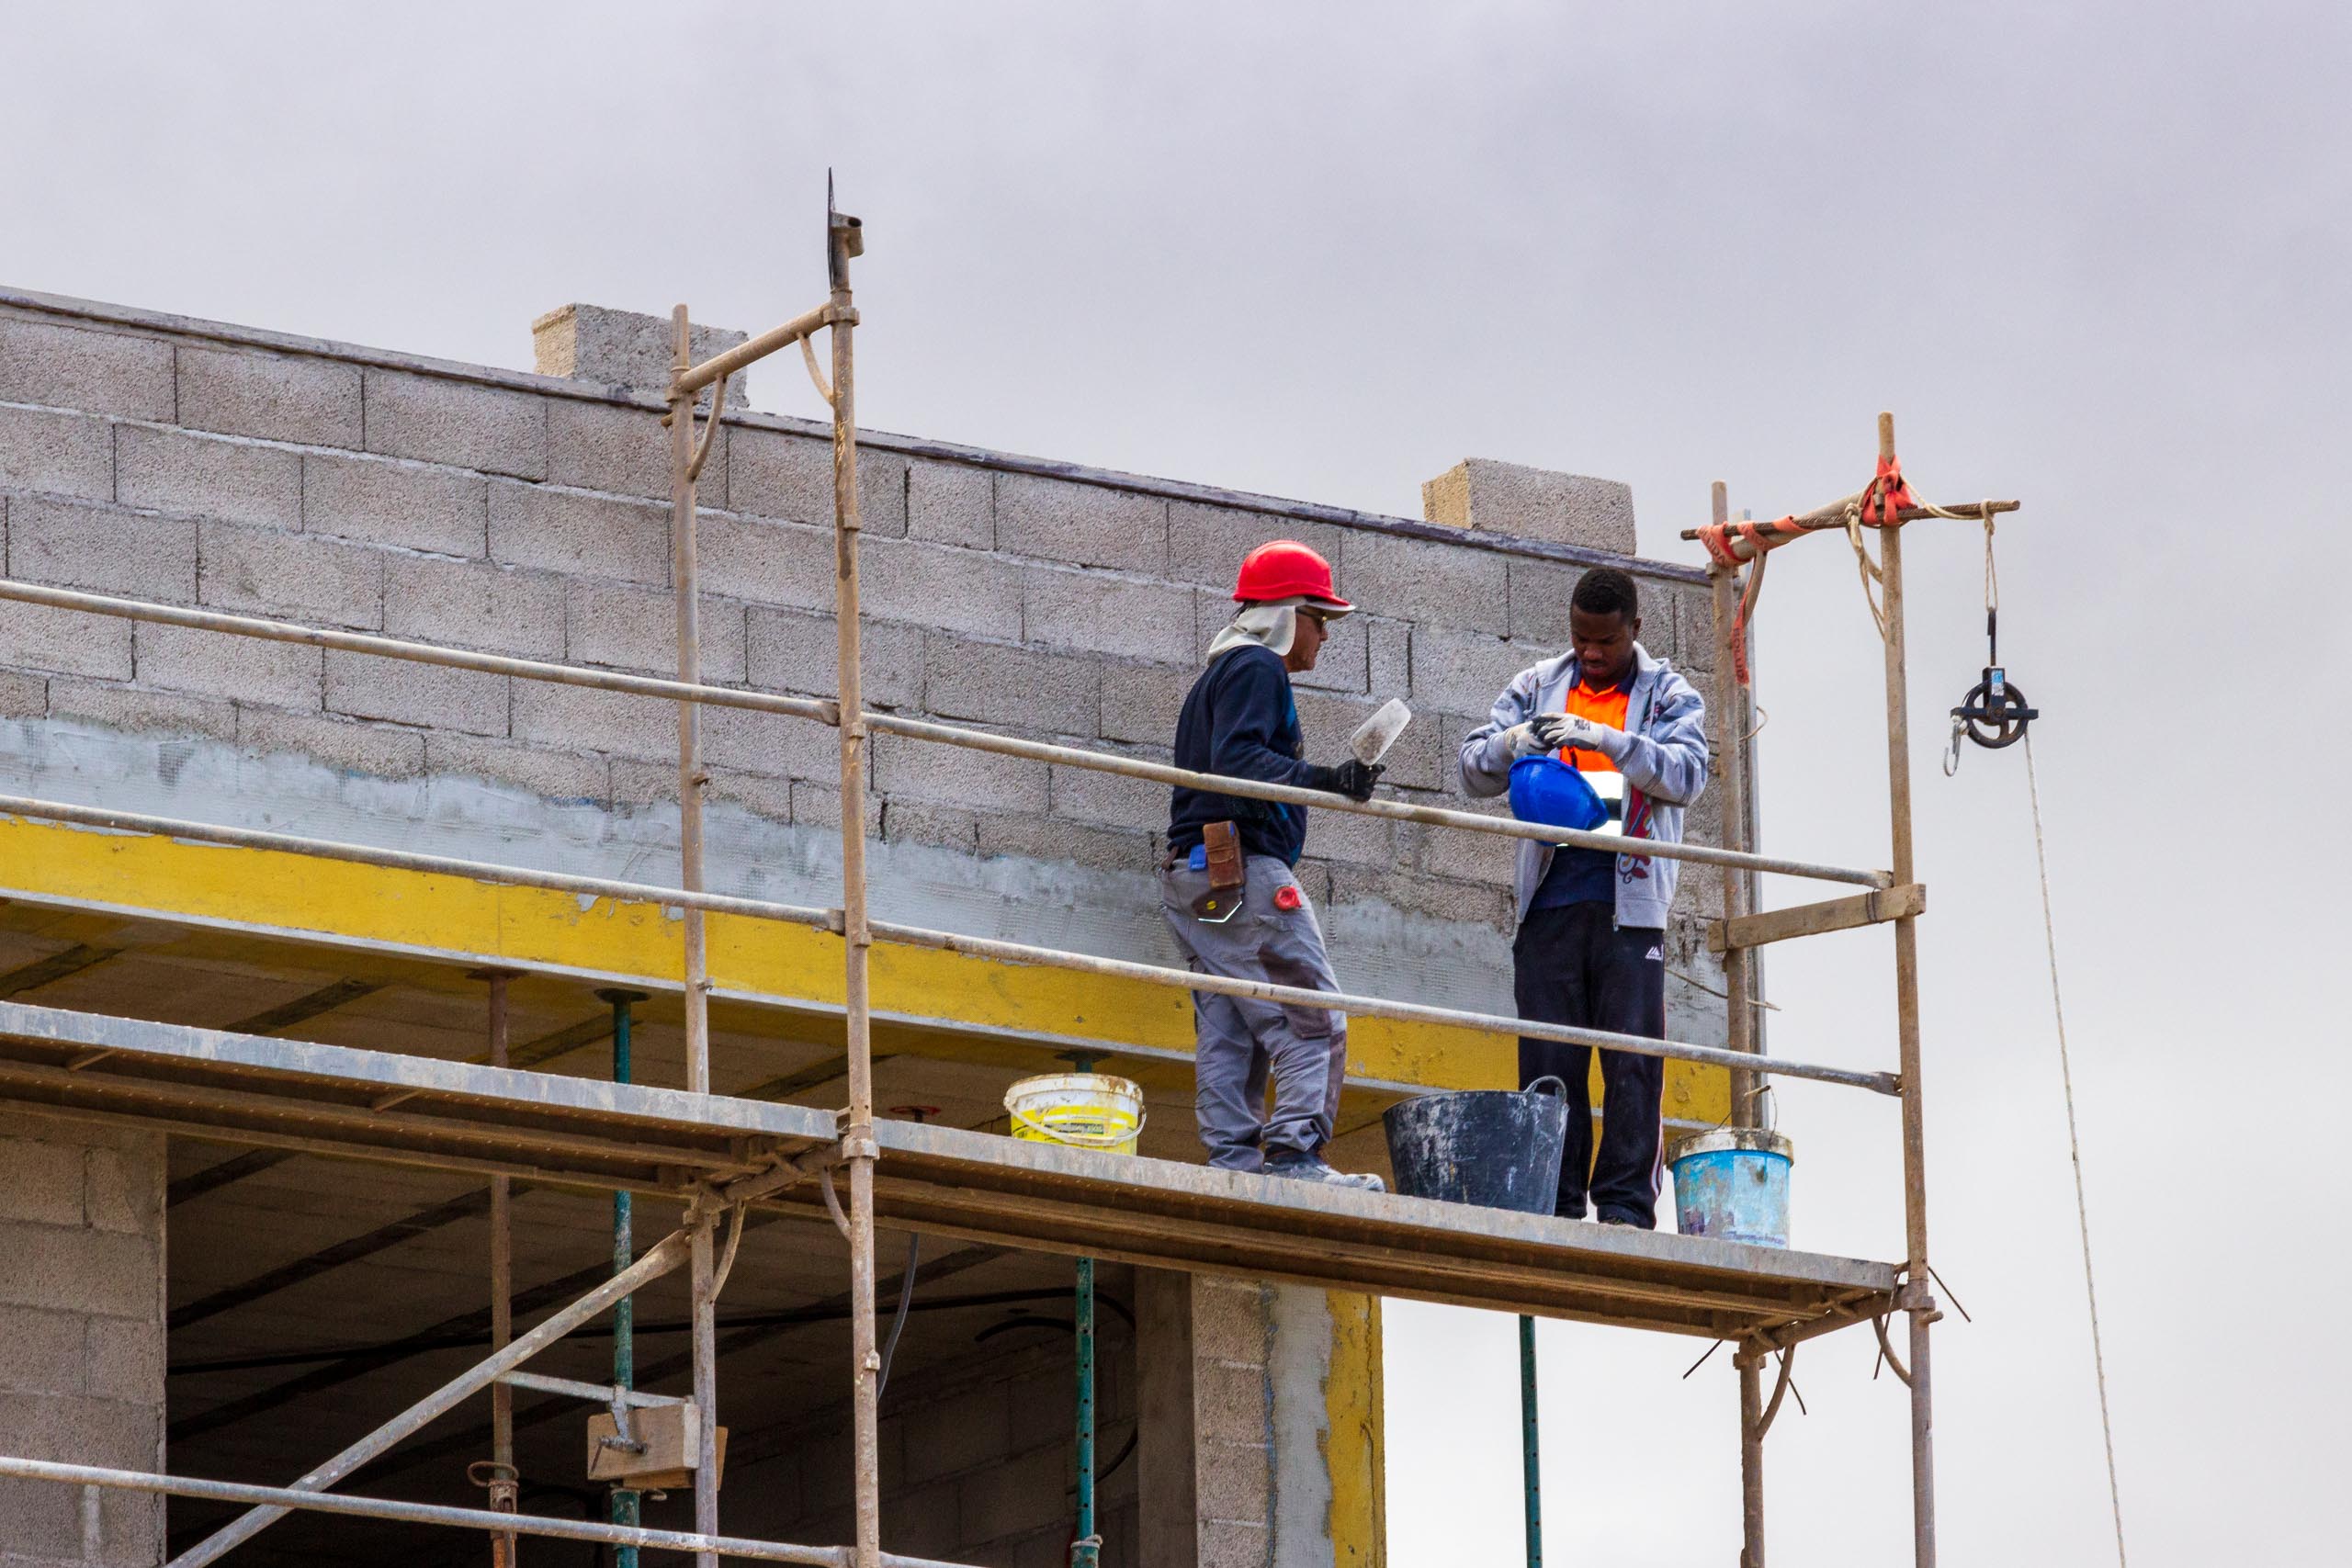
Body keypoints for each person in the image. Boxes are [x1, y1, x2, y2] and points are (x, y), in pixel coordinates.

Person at [1457, 566, 1709, 1226]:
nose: (1591, 653)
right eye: (1581, 638)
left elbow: (1688, 774)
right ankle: (1556, 1201)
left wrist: (1611, 742)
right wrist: (1515, 741)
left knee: (1632, 1058)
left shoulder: (1670, 694)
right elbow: (1470, 768)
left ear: (1635, 631)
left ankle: (1625, 1206)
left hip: (1630, 904)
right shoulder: (1538, 684)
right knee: (1549, 1057)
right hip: (1551, 898)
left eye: (1606, 641)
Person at [1161, 540, 1386, 1190]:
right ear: (1289, 613)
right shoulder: (1259, 667)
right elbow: (1238, 766)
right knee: (1311, 1014)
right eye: (1320, 618)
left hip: (1198, 877)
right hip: (1240, 871)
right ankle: (1295, 1157)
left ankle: (1234, 1162)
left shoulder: (1225, 674)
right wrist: (1327, 779)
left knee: (1234, 1024)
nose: (1323, 635)